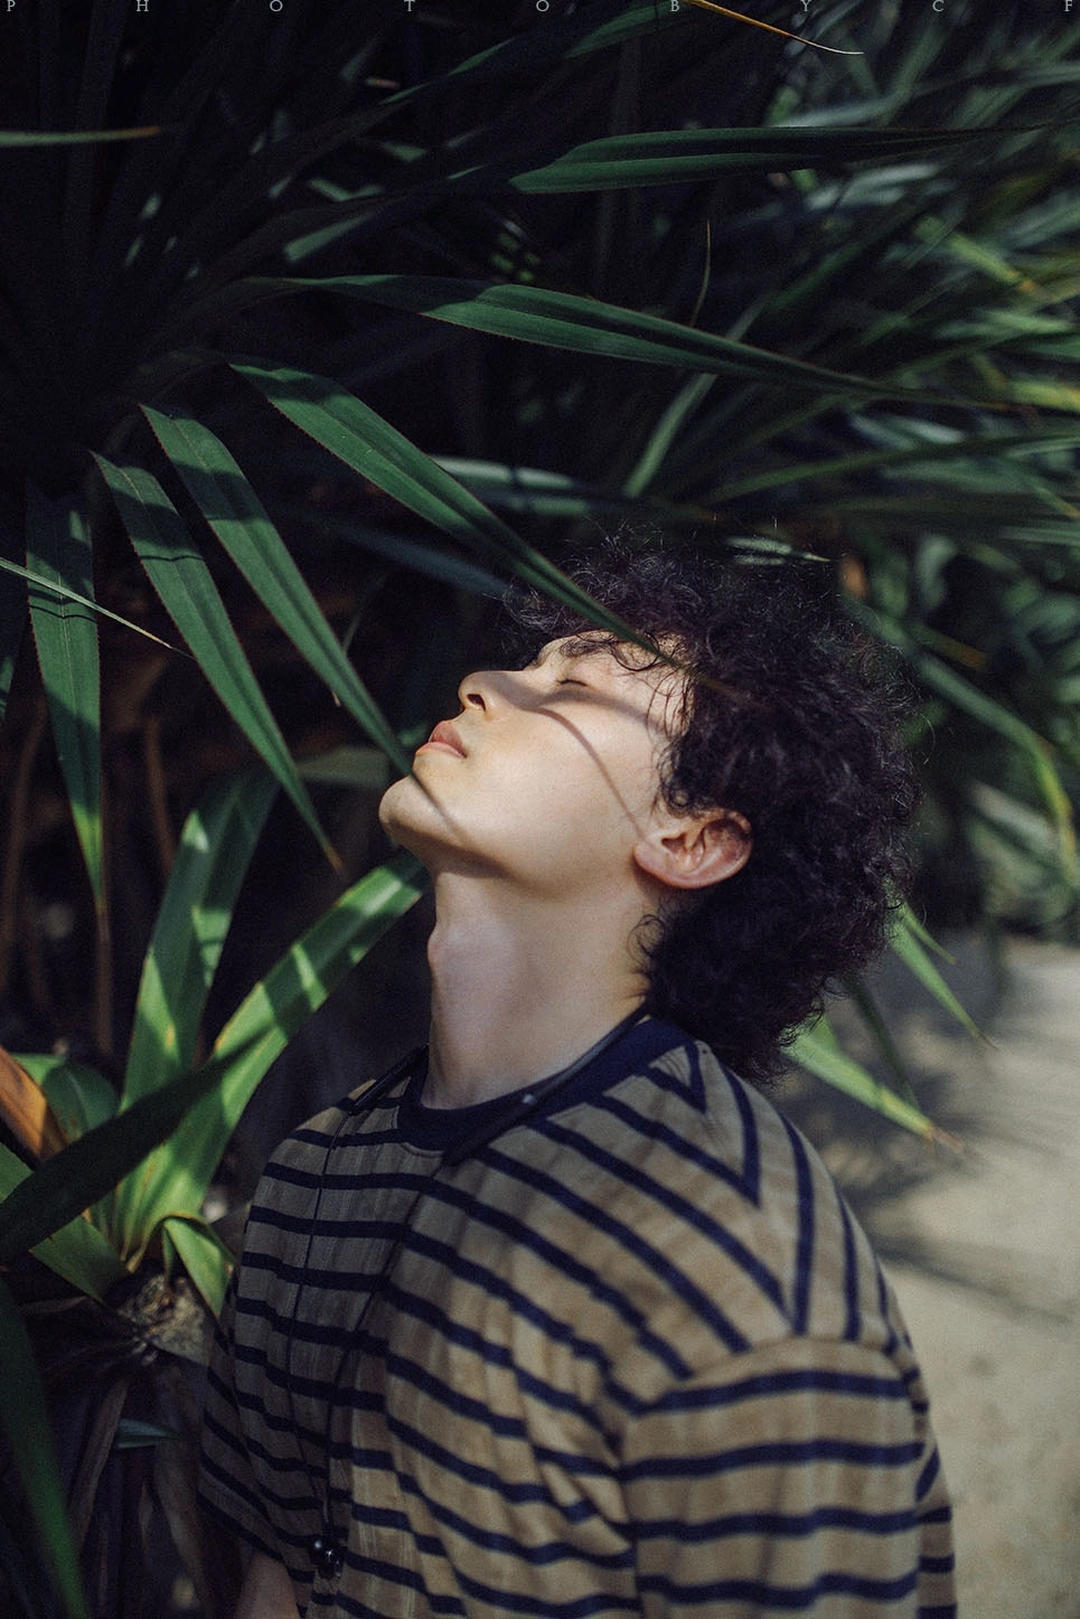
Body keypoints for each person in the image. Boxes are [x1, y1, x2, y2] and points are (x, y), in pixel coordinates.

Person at [198, 542, 957, 1618]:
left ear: (690, 837)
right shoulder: (312, 1178)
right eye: (525, 662)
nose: (482, 682)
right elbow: (274, 1574)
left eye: (574, 686)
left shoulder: (738, 1268)